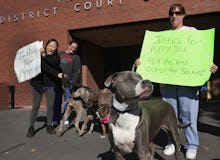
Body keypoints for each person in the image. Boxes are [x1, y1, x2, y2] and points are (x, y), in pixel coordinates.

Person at [135, 3, 218, 160]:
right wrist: (141, 62)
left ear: (183, 15)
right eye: (172, 13)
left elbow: (201, 53)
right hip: (167, 82)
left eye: (178, 13)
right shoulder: (162, 38)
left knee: (188, 114)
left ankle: (192, 145)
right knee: (169, 115)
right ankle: (172, 143)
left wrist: (209, 63)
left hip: (187, 81)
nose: (174, 16)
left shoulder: (192, 32)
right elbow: (153, 57)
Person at [27, 38, 64, 137]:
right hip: (38, 84)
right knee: (35, 107)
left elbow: (51, 65)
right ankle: (31, 127)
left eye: (54, 46)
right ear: (46, 46)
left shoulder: (56, 58)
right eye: (50, 45)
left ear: (56, 49)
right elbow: (42, 66)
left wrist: (43, 56)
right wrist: (57, 73)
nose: (51, 48)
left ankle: (49, 126)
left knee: (50, 107)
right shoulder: (37, 55)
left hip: (50, 85)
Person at [52, 40, 82, 126]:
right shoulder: (60, 54)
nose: (72, 49)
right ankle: (55, 119)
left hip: (68, 84)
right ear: (68, 45)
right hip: (57, 82)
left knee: (67, 102)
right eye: (71, 47)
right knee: (57, 101)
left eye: (75, 48)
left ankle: (66, 118)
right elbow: (53, 65)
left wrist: (72, 82)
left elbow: (77, 71)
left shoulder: (76, 57)